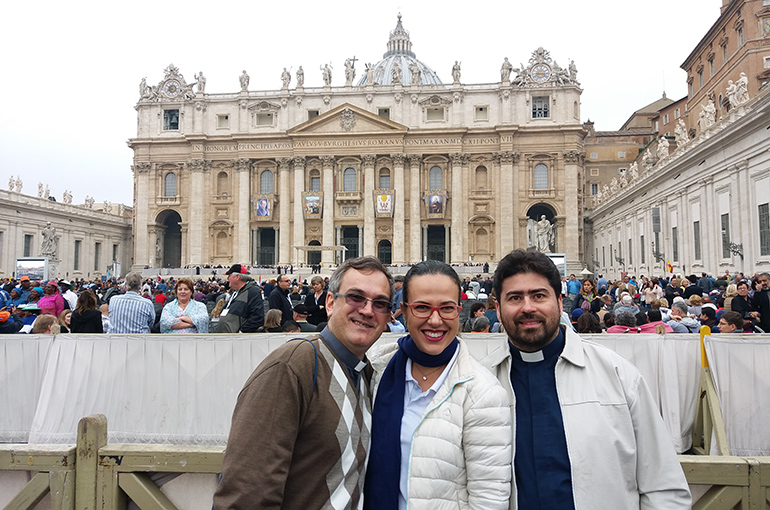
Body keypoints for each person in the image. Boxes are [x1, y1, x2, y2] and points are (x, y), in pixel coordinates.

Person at [484, 249, 691, 509]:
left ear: (559, 303)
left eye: (539, 295)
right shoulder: (480, 383)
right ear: (499, 310)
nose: (528, 307)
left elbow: (664, 487)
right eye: (515, 298)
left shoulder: (619, 375)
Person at [214, 256, 395, 508]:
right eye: (355, 297)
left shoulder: (364, 374)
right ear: (330, 303)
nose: (367, 310)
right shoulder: (292, 365)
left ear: (388, 316)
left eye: (380, 303)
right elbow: (247, 492)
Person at [365, 260, 511, 510]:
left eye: (446, 308)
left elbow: (489, 499)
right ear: (404, 310)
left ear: (458, 310)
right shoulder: (377, 369)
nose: (435, 320)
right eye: (422, 307)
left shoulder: (483, 393)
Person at [217, 264, 264, 333]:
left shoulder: (252, 291)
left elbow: (257, 317)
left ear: (237, 277)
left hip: (238, 339)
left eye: (229, 276)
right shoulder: (236, 292)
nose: (227, 278)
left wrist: (241, 332)